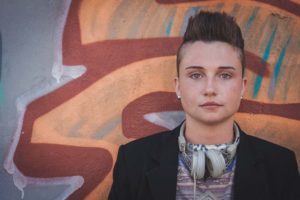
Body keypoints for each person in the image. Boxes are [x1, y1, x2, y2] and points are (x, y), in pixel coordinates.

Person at [108, 11, 300, 200]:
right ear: (178, 86)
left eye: (225, 75)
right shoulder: (133, 161)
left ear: (242, 87)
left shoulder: (280, 166)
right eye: (196, 75)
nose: (210, 89)